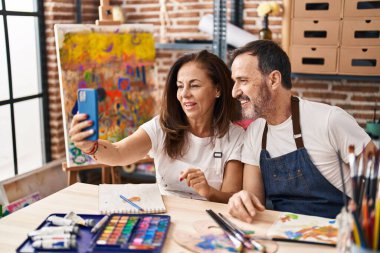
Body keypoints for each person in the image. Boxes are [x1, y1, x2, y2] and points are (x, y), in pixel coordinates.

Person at [227, 40, 377, 220]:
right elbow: (254, 203)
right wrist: (241, 201)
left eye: (243, 81)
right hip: (285, 233)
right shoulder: (255, 133)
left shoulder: (330, 120)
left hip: (340, 235)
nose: (235, 92)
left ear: (273, 79)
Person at [69, 50, 244, 203]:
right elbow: (118, 153)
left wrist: (209, 192)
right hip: (165, 216)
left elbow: (232, 197)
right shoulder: (162, 127)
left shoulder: (235, 137)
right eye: (179, 86)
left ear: (218, 90)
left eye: (195, 85)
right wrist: (90, 146)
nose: (184, 94)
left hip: (209, 221)